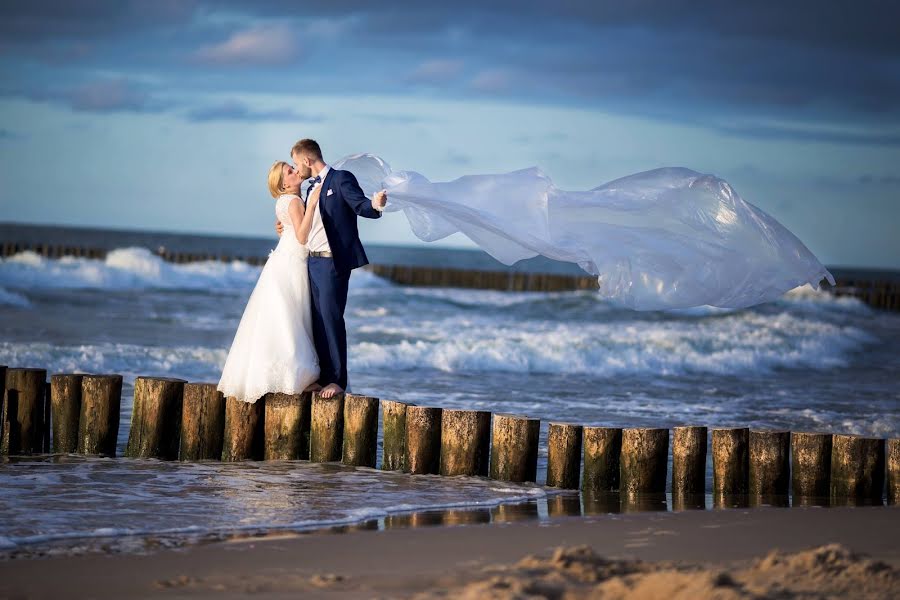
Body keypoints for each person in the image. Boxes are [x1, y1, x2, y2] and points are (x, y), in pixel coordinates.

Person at [275, 139, 387, 398]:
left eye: (294, 163)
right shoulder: (306, 189)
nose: (295, 169)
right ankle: (322, 377)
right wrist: (282, 227)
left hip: (332, 261)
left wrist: (376, 204)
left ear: (306, 160)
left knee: (331, 318)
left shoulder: (340, 179)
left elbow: (361, 206)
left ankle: (337, 381)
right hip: (310, 261)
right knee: (316, 320)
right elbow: (303, 223)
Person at [217, 161, 323, 403]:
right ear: (284, 183)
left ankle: (280, 374)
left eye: (293, 168)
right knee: (289, 318)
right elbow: (302, 235)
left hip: (284, 261)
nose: (295, 171)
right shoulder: (294, 201)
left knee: (282, 318)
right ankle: (294, 376)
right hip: (291, 263)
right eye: (289, 171)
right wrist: (313, 204)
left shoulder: (286, 201)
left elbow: (289, 229)